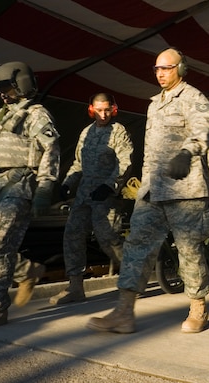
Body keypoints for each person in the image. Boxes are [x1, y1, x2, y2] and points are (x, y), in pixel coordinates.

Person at [87, 48, 209, 334]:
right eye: (157, 68)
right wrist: (143, 185)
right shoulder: (154, 104)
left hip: (186, 191)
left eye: (167, 68)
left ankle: (198, 308)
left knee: (189, 250)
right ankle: (124, 312)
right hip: (153, 191)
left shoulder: (193, 97)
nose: (160, 73)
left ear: (181, 69)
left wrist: (187, 152)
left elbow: (204, 129)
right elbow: (150, 153)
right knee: (136, 247)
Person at [0, 61, 61, 332]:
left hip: (19, 185)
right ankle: (26, 272)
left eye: (6, 87)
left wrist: (44, 188)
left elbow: (51, 150)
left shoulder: (36, 115)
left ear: (21, 85)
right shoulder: (0, 116)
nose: (2, 94)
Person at [50, 93, 134, 305]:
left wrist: (109, 185)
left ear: (113, 109)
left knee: (108, 239)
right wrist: (68, 182)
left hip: (105, 196)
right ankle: (75, 287)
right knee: (72, 235)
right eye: (98, 110)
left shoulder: (119, 132)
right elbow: (78, 163)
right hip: (84, 195)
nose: (103, 114)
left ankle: (133, 276)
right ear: (91, 110)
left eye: (107, 110)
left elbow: (125, 162)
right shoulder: (86, 133)